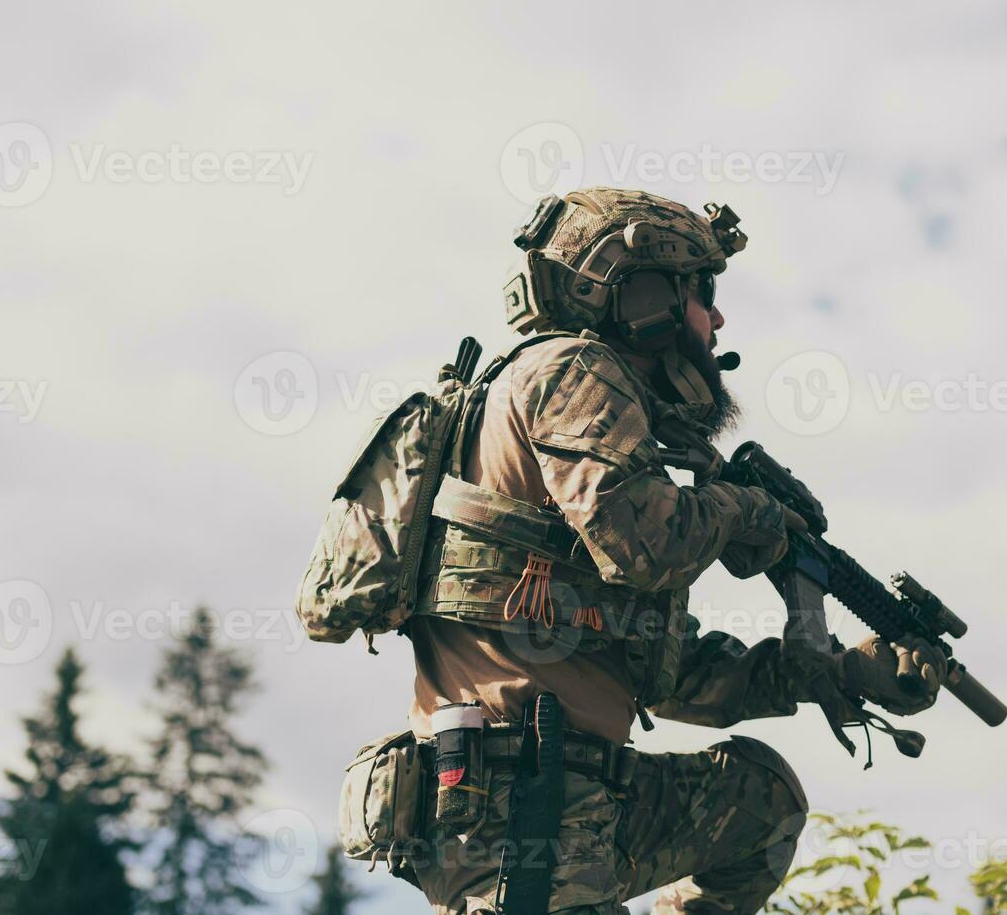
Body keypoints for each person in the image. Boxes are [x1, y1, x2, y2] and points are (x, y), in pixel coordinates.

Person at [383, 188, 946, 914]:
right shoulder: (569, 369)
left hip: (580, 797)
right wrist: (747, 509)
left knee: (760, 800)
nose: (716, 320)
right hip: (515, 812)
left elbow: (671, 675)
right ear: (642, 298)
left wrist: (835, 671)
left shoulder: (581, 440)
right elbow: (646, 545)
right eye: (701, 293)